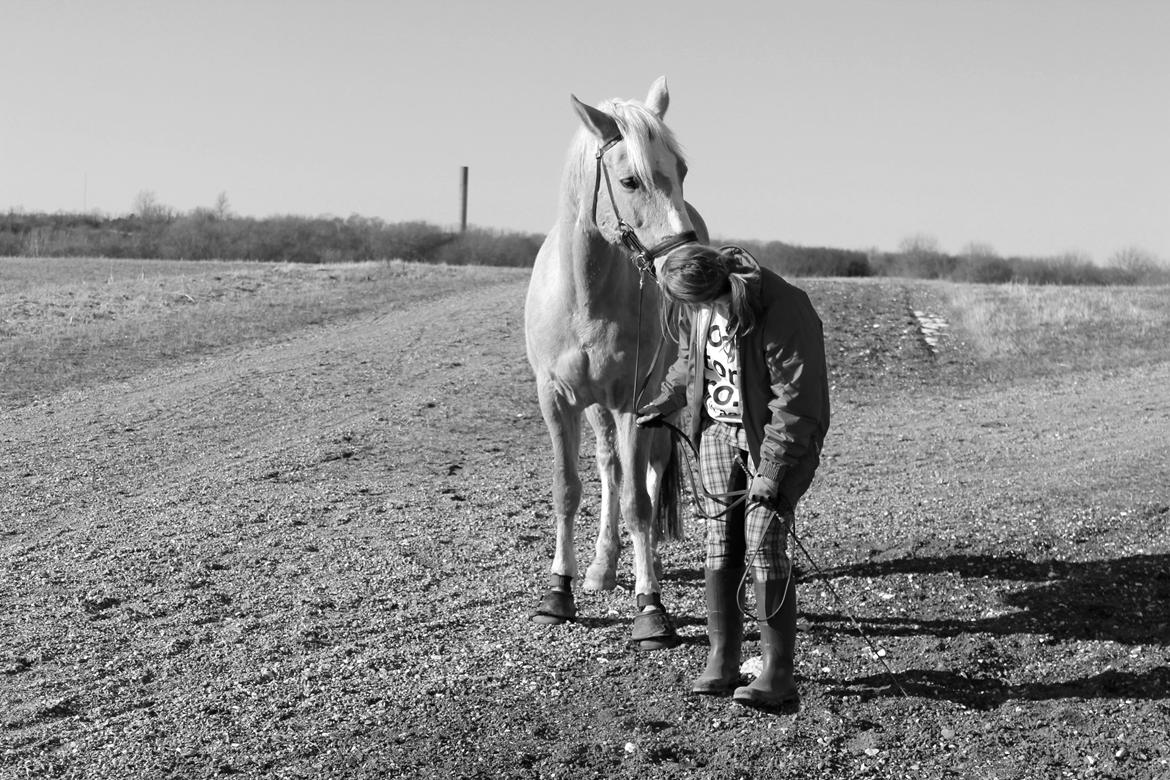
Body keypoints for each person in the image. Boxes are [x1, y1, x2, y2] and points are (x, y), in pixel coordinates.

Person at [636, 244, 830, 708]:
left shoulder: (783, 307)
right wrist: (666, 401)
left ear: (716, 290)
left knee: (764, 545)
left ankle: (777, 673)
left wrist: (773, 469)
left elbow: (796, 401)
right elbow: (690, 363)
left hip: (773, 440)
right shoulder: (696, 309)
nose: (695, 313)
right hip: (715, 435)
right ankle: (722, 659)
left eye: (700, 304)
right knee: (720, 544)